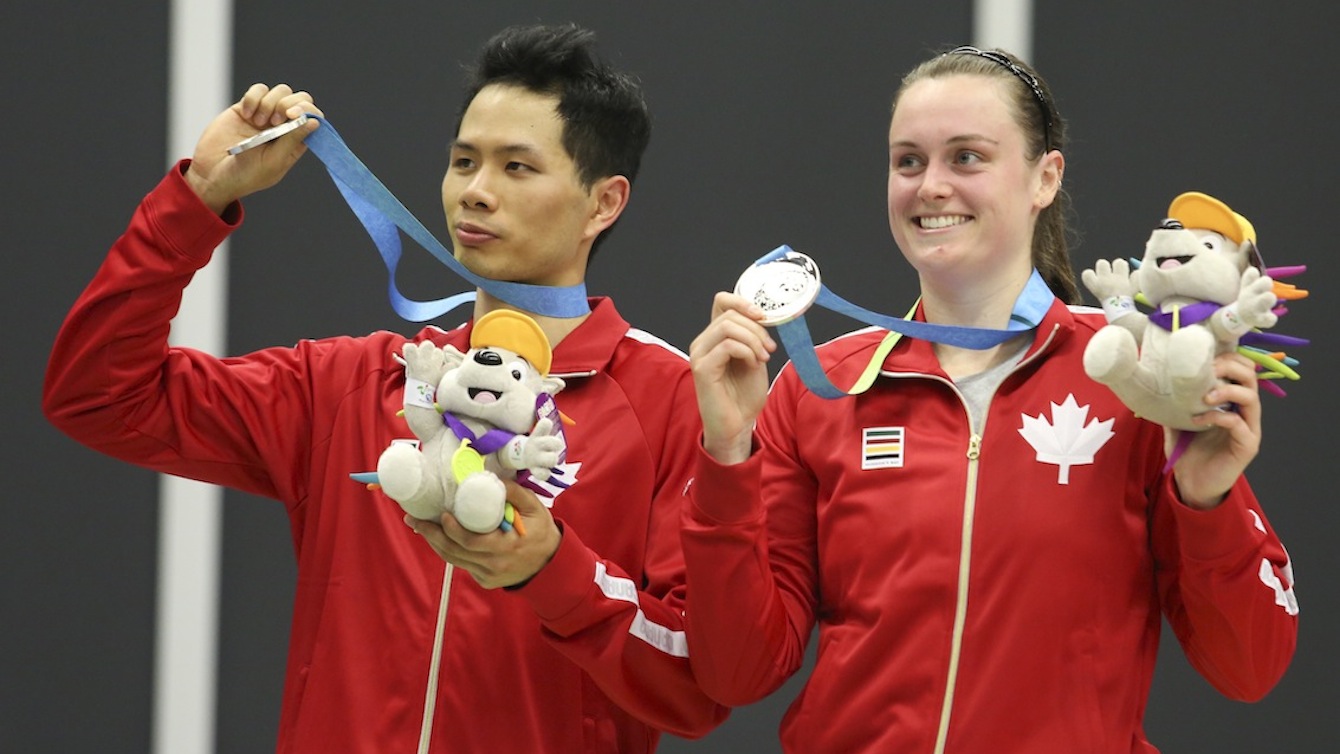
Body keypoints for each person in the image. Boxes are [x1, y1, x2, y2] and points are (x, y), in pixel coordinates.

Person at [44, 23, 728, 754]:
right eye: (463, 161)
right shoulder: (353, 384)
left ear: (604, 203)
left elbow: (697, 681)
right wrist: (199, 199)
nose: (476, 191)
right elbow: (97, 393)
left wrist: (552, 571)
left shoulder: (673, 400)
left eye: (517, 168)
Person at [682, 45, 1297, 753]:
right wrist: (728, 458)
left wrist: (1209, 503)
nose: (930, 186)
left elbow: (1249, 668)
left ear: (1045, 177)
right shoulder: (824, 386)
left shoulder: (1135, 381)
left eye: (966, 157)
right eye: (908, 161)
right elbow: (739, 672)